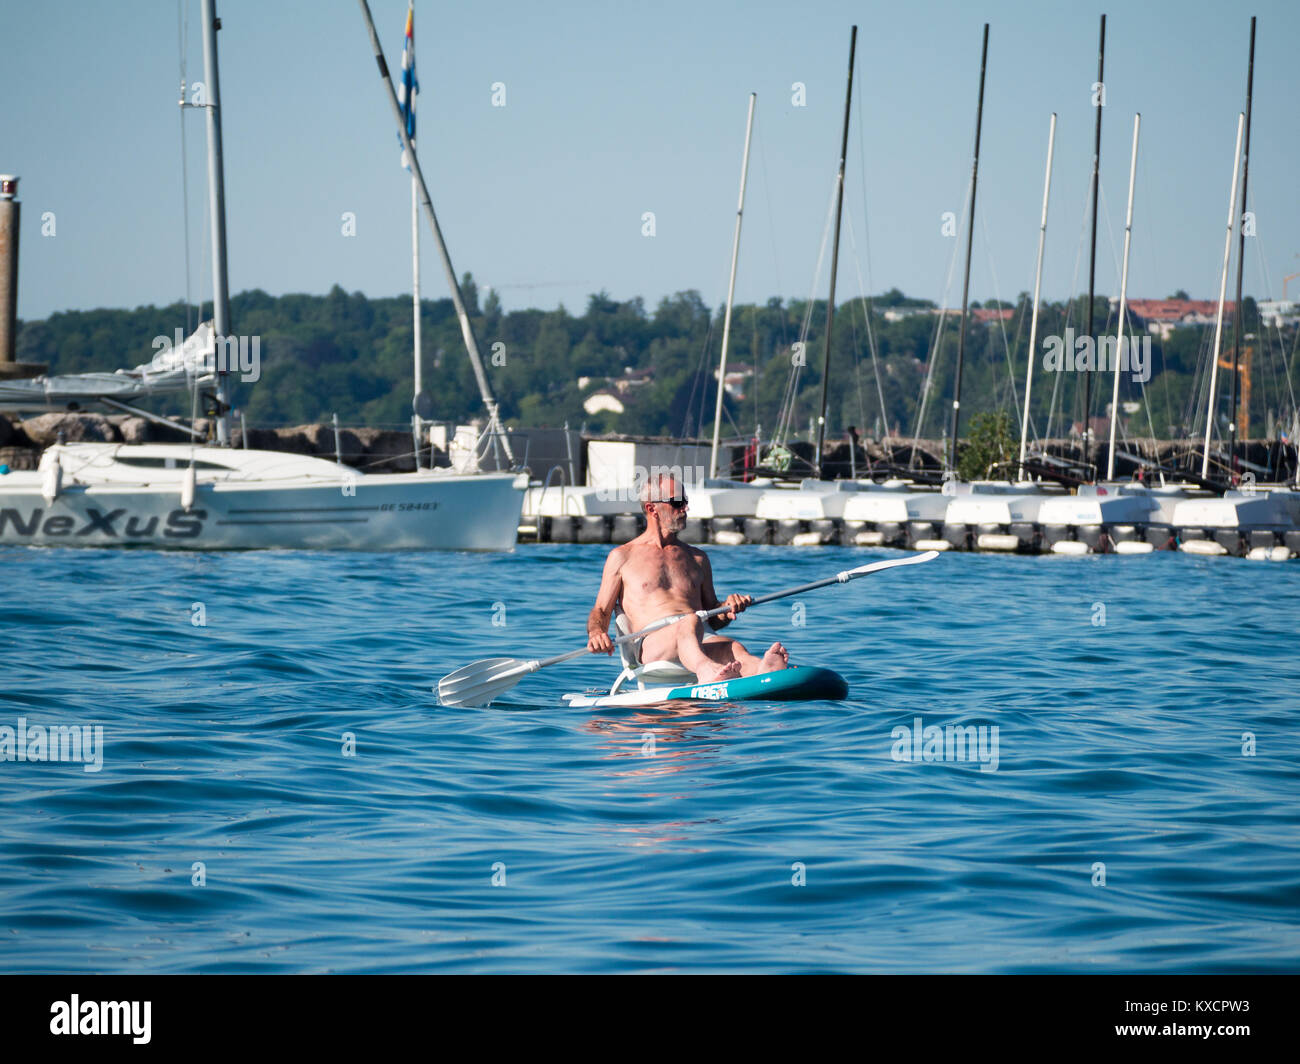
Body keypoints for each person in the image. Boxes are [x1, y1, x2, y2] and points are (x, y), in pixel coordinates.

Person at [586, 474, 789, 682]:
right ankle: (706, 671)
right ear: (651, 509)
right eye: (676, 503)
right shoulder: (622, 557)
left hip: (700, 633)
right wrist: (596, 633)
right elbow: (601, 610)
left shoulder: (697, 558)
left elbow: (712, 616)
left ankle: (768, 671)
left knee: (733, 647)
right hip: (652, 645)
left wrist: (728, 608)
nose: (685, 508)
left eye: (685, 502)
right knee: (689, 622)